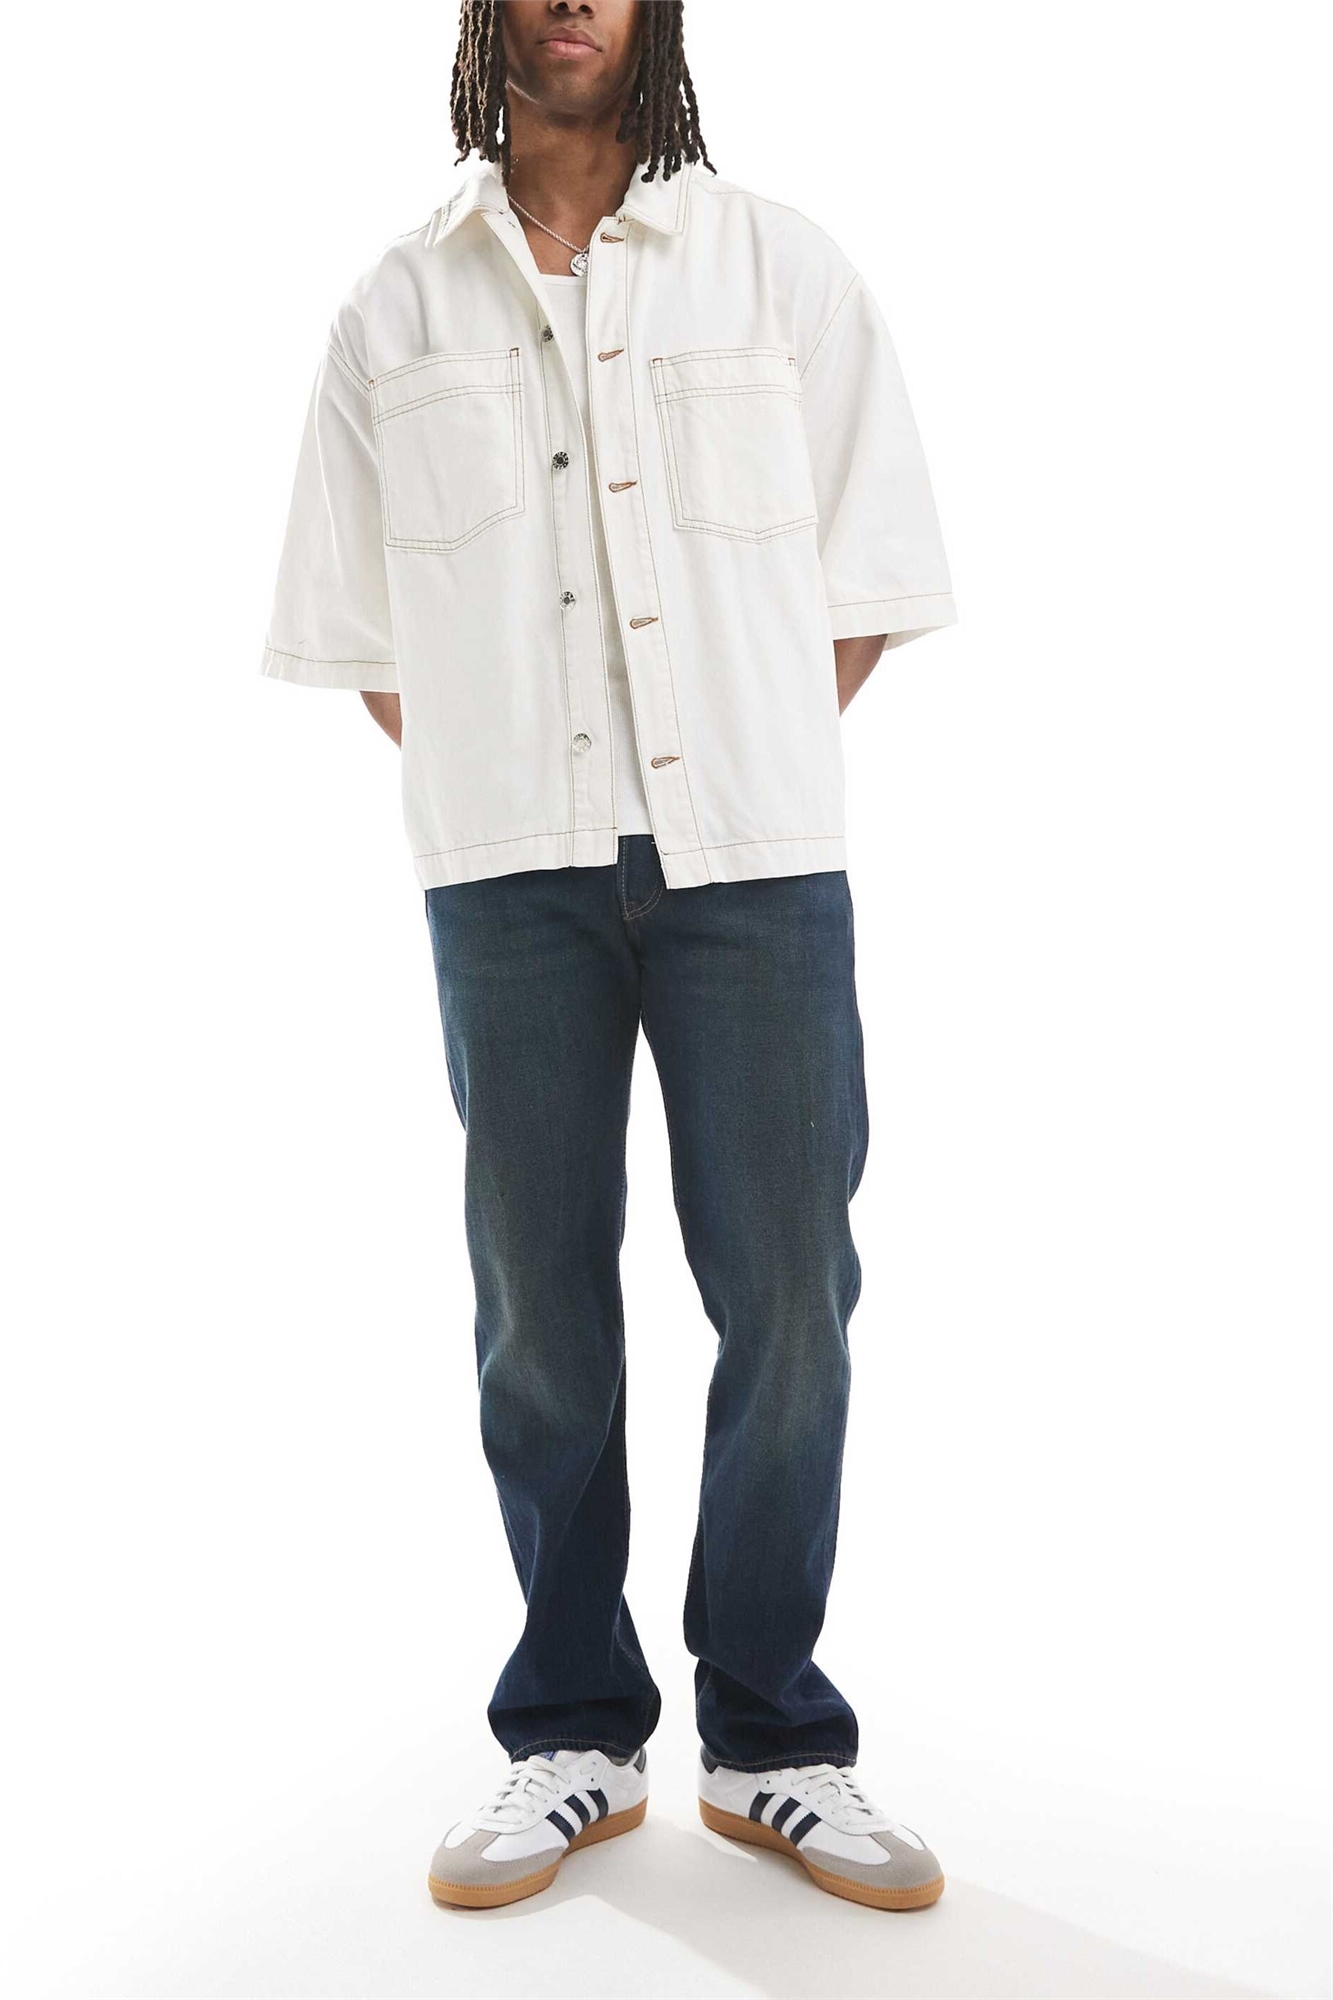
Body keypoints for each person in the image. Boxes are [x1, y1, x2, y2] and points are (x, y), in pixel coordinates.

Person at [262, 0, 955, 1913]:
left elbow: (860, 582)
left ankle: (773, 1741)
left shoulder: (778, 270)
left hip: (756, 865)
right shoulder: (395, 308)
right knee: (538, 1312)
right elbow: (371, 643)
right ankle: (571, 1729)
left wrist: (720, 764)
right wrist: (531, 787)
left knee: (791, 1295)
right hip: (510, 880)